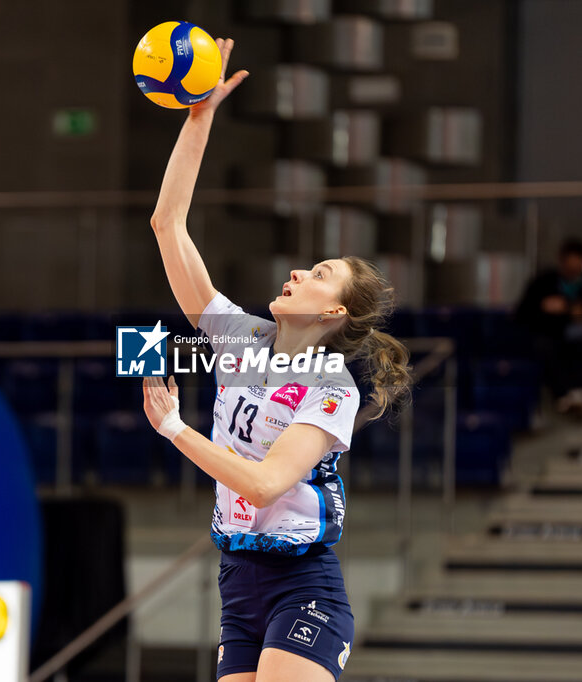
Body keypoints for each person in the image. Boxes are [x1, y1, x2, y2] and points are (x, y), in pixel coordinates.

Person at [139, 39, 411, 682]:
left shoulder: (333, 391)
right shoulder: (239, 338)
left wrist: (175, 428)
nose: (297, 270)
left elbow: (263, 484)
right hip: (238, 580)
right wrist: (198, 118)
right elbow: (167, 224)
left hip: (302, 584)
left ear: (334, 313)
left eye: (319, 274)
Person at [515, 237, 582, 415]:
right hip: (550, 338)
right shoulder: (543, 284)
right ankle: (564, 396)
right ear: (561, 261)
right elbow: (522, 315)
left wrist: (577, 312)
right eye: (569, 268)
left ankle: (578, 395)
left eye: (577, 268)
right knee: (545, 349)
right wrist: (545, 309)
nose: (573, 272)